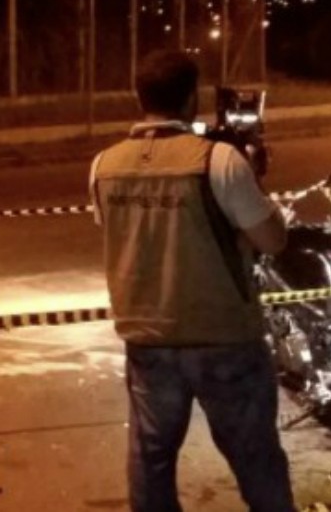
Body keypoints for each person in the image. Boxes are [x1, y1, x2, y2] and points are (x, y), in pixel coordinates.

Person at [88, 50, 294, 512]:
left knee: (151, 458)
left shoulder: (103, 165)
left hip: (148, 337)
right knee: (256, 458)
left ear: (137, 97)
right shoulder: (218, 161)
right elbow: (273, 240)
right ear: (191, 98)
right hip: (223, 337)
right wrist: (255, 182)